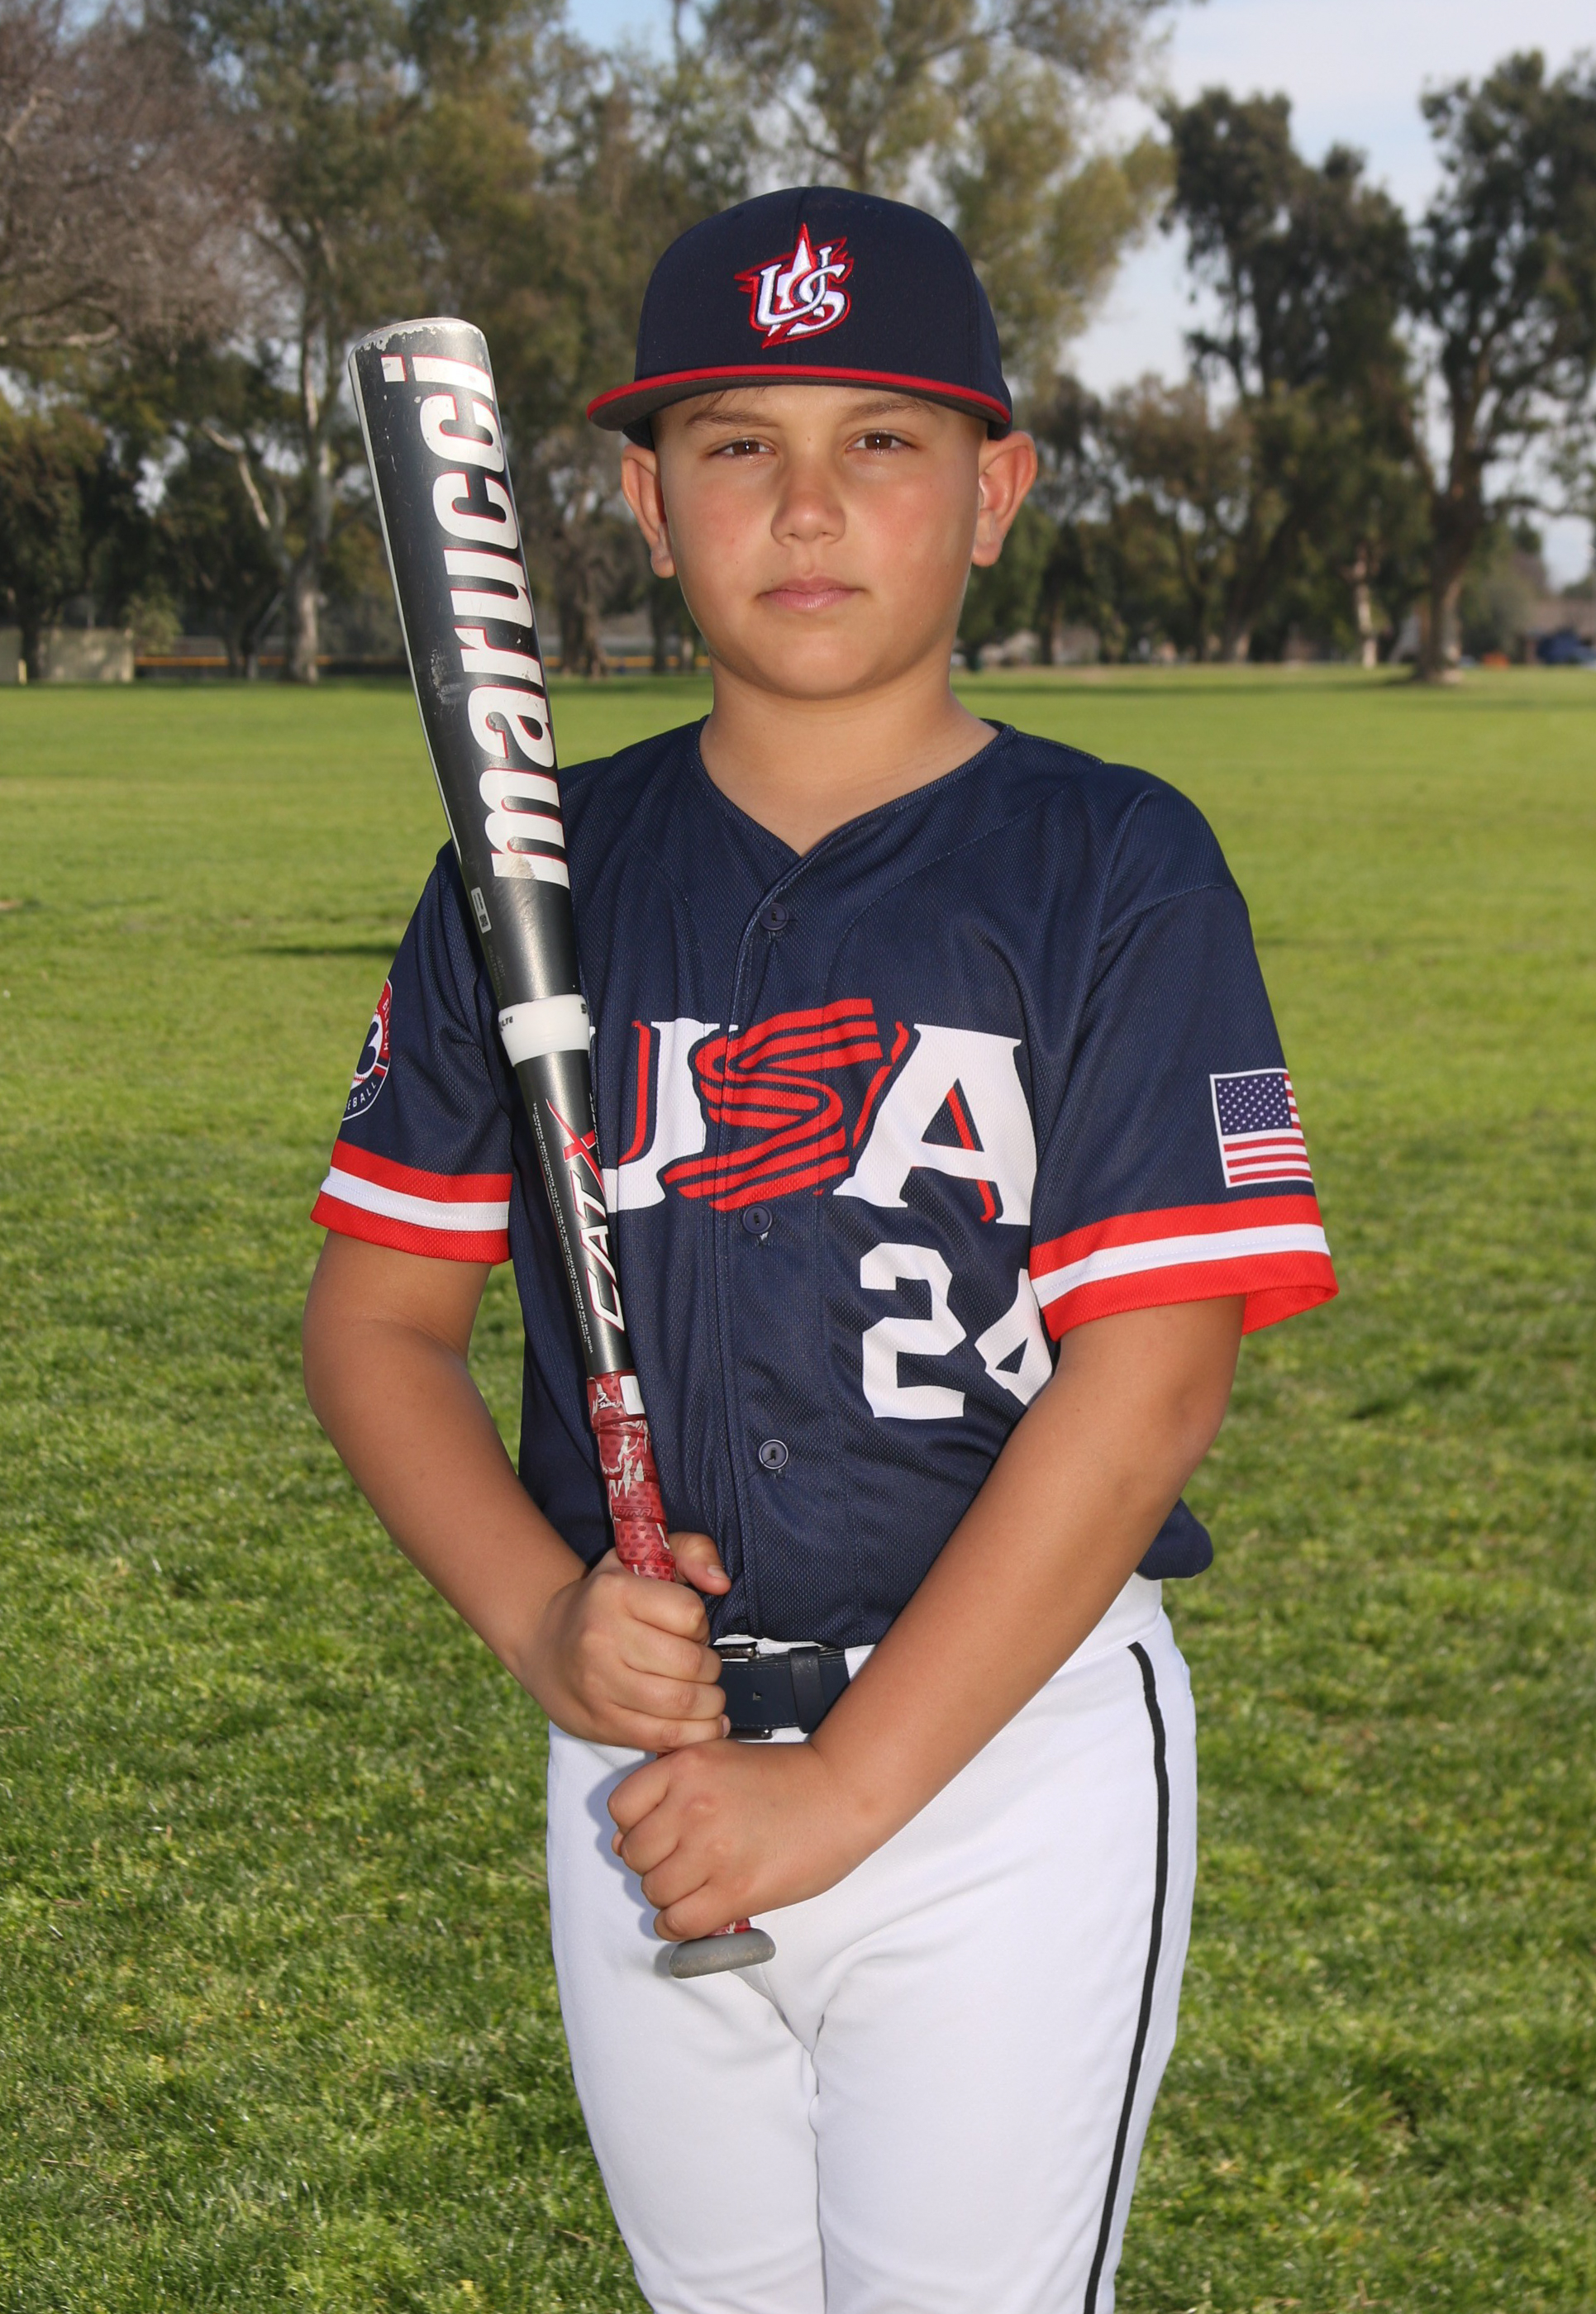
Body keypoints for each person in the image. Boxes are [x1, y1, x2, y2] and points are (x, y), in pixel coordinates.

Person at [303, 186, 1337, 2314]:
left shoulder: (1113, 864)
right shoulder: (534, 873)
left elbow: (1154, 1378)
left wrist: (847, 1789)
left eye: (881, 439)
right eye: (734, 443)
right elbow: (376, 1324)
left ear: (995, 491)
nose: (804, 503)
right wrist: (541, 1624)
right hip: (650, 1764)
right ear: (642, 503)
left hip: (998, 1762)